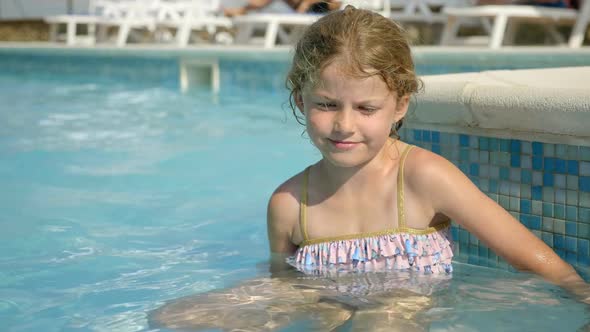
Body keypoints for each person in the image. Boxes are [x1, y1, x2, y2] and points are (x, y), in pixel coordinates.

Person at [151, 6, 589, 331]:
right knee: (172, 317)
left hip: (407, 308)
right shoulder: (289, 204)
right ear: (300, 99)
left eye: (365, 108)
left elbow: (530, 257)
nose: (344, 124)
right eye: (326, 104)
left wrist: (580, 297)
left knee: (379, 322)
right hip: (325, 302)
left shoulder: (422, 177)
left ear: (399, 106)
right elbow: (282, 285)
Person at [223, 0, 341, 17]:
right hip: (303, 11)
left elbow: (337, 3)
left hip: (323, 9)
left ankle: (241, 10)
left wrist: (306, 3)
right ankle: (241, 10)